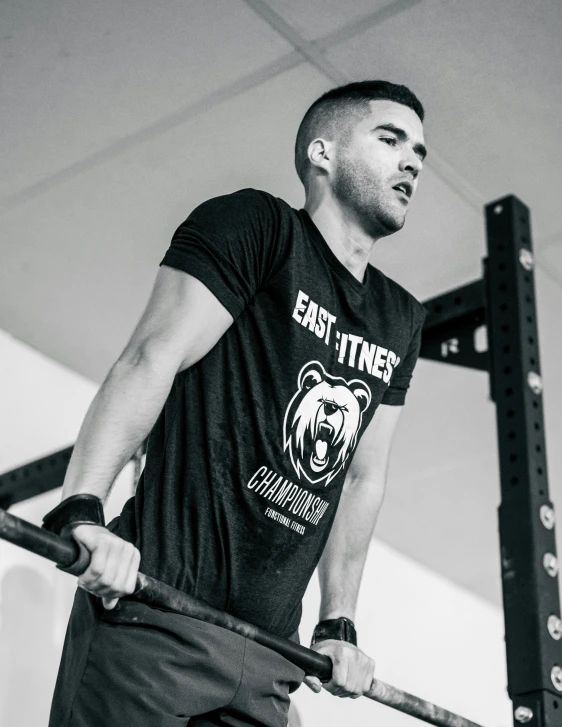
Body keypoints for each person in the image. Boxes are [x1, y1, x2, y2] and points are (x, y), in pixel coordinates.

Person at [45, 79, 427, 727]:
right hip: (158, 618)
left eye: (419, 149)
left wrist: (339, 621)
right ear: (322, 153)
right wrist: (82, 509)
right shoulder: (260, 227)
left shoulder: (398, 318)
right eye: (390, 139)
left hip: (270, 657)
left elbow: (362, 476)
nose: (412, 160)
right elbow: (152, 354)